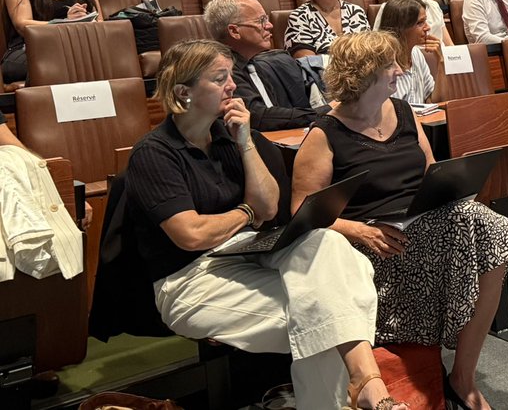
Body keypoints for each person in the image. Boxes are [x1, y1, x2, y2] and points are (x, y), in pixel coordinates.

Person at [290, 31, 508, 410]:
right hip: (376, 247)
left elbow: (431, 172)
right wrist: (358, 230)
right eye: (391, 66)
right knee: (483, 239)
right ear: (367, 74)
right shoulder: (325, 134)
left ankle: (463, 377)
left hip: (424, 225)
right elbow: (302, 214)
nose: (401, 71)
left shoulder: (401, 111)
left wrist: (450, 186)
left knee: (477, 232)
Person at [123, 40, 397, 410]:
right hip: (189, 279)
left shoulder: (231, 135)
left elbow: (268, 206)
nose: (232, 86)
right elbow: (191, 235)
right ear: (184, 92)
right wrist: (246, 214)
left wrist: (244, 143)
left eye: (231, 76)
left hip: (248, 256)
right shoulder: (154, 152)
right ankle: (365, 385)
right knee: (323, 313)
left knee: (326, 246)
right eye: (219, 79)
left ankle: (362, 385)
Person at [205, 0, 327, 130]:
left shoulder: (257, 65)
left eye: (267, 19)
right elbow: (259, 117)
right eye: (261, 21)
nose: (269, 26)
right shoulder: (223, 72)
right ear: (234, 31)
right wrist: (326, 112)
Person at [375, 0, 435, 105]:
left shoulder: (416, 53)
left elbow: (432, 101)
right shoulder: (380, 62)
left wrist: (442, 62)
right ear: (401, 27)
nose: (428, 27)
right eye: (420, 23)